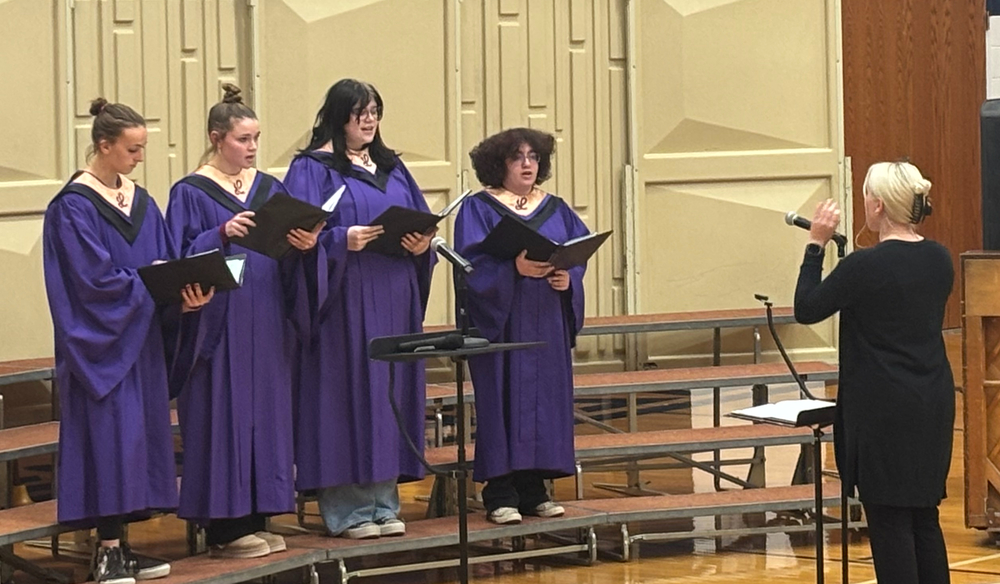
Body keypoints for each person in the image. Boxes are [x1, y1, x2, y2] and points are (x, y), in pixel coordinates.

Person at [43, 98, 213, 584]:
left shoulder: (142, 202)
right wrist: (151, 287)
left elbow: (163, 264)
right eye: (132, 149)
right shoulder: (73, 207)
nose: (139, 158)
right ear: (104, 145)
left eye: (142, 149)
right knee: (107, 442)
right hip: (100, 346)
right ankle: (107, 551)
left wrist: (180, 298)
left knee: (137, 443)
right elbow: (92, 284)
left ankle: (126, 548)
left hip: (139, 344)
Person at [165, 84, 321, 558]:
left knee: (267, 419)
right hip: (221, 323)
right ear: (217, 139)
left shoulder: (270, 189)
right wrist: (219, 231)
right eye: (242, 139)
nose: (252, 148)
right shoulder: (190, 192)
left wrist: (304, 246)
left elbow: (289, 257)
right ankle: (224, 527)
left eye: (256, 138)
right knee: (224, 417)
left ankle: (258, 515)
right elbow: (175, 257)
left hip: (269, 314)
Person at [283, 78, 435, 539]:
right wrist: (337, 240)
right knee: (346, 395)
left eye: (375, 111)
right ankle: (347, 509)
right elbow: (294, 236)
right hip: (343, 296)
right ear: (337, 116)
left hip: (393, 291)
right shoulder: (311, 169)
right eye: (360, 112)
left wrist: (420, 243)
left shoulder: (393, 168)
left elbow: (421, 218)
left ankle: (384, 504)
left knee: (388, 394)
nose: (369, 120)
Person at [794, 161, 954, 584]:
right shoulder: (940, 259)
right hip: (932, 402)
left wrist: (815, 246)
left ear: (878, 205)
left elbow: (807, 308)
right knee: (924, 518)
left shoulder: (864, 268)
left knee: (889, 522)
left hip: (884, 410)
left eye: (866, 194)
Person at [454, 128, 590, 525]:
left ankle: (534, 489)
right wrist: (511, 268)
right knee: (502, 400)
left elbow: (576, 254)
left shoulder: (556, 208)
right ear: (499, 165)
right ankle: (499, 491)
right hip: (504, 320)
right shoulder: (479, 209)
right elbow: (469, 268)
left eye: (533, 156)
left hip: (545, 319)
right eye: (517, 157)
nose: (528, 164)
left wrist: (569, 280)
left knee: (545, 403)